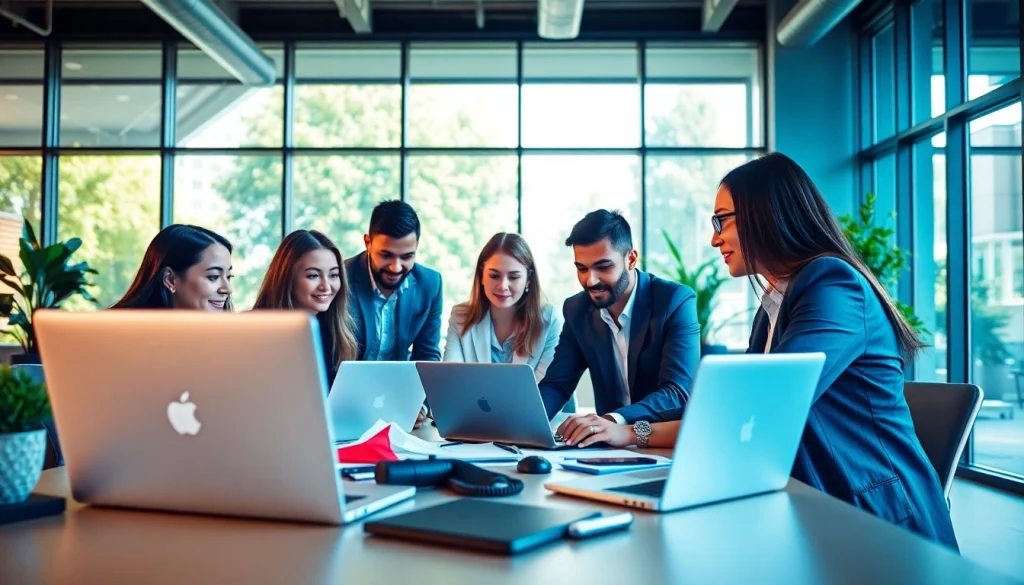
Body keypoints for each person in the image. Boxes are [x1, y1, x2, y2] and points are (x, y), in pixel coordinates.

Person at [561, 153, 959, 551]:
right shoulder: (773, 305)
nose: (715, 239)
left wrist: (632, 431)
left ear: (765, 214)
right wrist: (626, 432)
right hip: (814, 510)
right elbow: (738, 417)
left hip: (879, 526)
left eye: (722, 221)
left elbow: (761, 411)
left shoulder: (833, 284)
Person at [538, 209, 700, 427]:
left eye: (603, 267)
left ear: (631, 259)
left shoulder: (674, 301)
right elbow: (558, 384)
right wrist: (524, 425)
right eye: (582, 269)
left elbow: (677, 393)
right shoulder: (576, 310)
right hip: (607, 442)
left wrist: (612, 420)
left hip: (663, 438)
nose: (590, 281)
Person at [345, 200, 443, 428]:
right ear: (368, 243)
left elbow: (427, 355)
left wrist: (419, 405)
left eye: (407, 256)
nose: (396, 267)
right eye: (386, 255)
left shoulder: (430, 284)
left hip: (396, 408)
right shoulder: (340, 278)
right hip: (346, 404)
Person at [443, 232, 564, 384]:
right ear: (481, 276)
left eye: (513, 277)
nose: (503, 286)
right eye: (494, 276)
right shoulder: (460, 316)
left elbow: (547, 387)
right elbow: (451, 381)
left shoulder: (550, 319)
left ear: (528, 279)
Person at [252, 229, 357, 388]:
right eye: (313, 276)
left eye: (333, 275)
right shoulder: (257, 331)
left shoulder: (331, 332)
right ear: (288, 278)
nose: (326, 286)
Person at [113, 224, 233, 311]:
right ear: (170, 279)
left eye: (229, 277)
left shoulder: (227, 334)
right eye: (214, 277)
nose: (228, 289)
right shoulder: (116, 332)